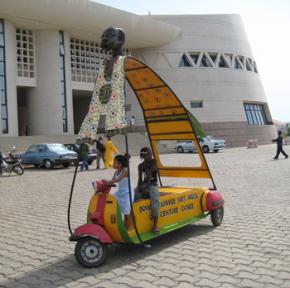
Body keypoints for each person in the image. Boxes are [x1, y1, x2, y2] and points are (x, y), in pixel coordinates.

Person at [102, 154, 133, 229]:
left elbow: (117, 180)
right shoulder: (116, 172)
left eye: (115, 162)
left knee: (126, 211)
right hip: (120, 191)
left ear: (120, 164)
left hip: (127, 192)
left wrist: (108, 181)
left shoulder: (124, 171)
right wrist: (105, 183)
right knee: (111, 199)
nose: (113, 163)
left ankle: (127, 228)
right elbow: (113, 181)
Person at [135, 147, 160, 234]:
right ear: (144, 156)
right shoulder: (140, 166)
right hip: (145, 184)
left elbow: (150, 173)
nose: (151, 155)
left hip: (153, 185)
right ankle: (134, 219)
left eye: (151, 154)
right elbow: (140, 179)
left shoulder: (154, 162)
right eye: (149, 154)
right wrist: (138, 188)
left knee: (155, 202)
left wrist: (148, 188)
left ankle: (155, 225)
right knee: (134, 195)